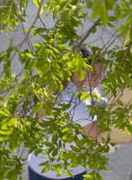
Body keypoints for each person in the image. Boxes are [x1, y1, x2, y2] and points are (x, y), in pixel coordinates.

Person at [26, 46, 104, 180]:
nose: (98, 79)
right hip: (63, 174)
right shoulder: (77, 107)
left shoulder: (57, 85)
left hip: (39, 166)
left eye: (100, 72)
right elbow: (99, 138)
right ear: (76, 70)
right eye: (92, 74)